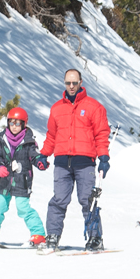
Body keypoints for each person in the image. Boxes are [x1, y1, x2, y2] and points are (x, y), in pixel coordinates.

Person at [40, 67, 110, 251]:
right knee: (59, 200)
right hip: (62, 162)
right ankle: (53, 236)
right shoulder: (57, 108)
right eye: (68, 83)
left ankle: (95, 238)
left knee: (88, 200)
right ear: (64, 83)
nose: (71, 86)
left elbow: (101, 134)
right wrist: (44, 154)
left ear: (81, 83)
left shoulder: (94, 107)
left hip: (84, 161)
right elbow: (52, 136)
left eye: (74, 82)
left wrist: (103, 156)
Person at [0, 107, 48, 247]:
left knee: (23, 208)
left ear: (24, 124)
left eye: (18, 123)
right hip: (5, 180)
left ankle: (39, 235)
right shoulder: (3, 138)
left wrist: (40, 162)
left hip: (22, 180)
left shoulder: (28, 141)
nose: (14, 127)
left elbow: (34, 155)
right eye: (11, 123)